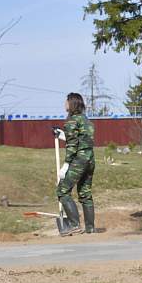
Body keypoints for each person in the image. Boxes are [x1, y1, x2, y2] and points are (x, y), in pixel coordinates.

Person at [56, 92, 96, 235]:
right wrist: (62, 135)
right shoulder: (86, 120)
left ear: (71, 103)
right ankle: (90, 229)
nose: (64, 104)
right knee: (85, 194)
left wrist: (66, 165)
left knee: (62, 190)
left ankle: (74, 225)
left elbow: (72, 145)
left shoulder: (71, 121)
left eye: (66, 101)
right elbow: (80, 139)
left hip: (78, 160)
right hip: (90, 159)